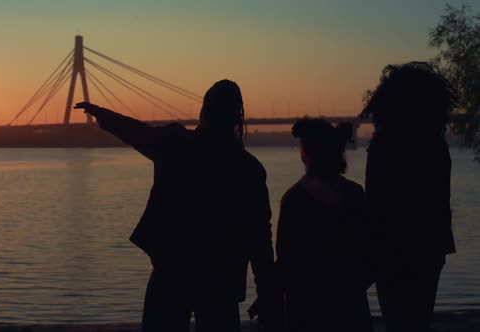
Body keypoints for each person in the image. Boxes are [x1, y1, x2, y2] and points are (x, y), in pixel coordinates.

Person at [75, 79, 275, 332]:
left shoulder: (175, 143)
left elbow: (139, 133)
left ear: (204, 111)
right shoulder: (249, 169)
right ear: (238, 117)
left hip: (171, 271)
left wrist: (104, 116)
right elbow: (259, 238)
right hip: (221, 280)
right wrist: (268, 293)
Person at [362, 62, 457, 332]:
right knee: (418, 319)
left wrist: (369, 254)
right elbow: (440, 204)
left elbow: (375, 205)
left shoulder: (383, 147)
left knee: (395, 319)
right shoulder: (436, 146)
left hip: (390, 248)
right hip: (429, 247)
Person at [274, 118, 373, 332]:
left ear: (306, 153)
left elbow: (286, 260)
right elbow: (368, 252)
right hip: (350, 307)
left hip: (305, 310)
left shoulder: (294, 200)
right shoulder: (355, 195)